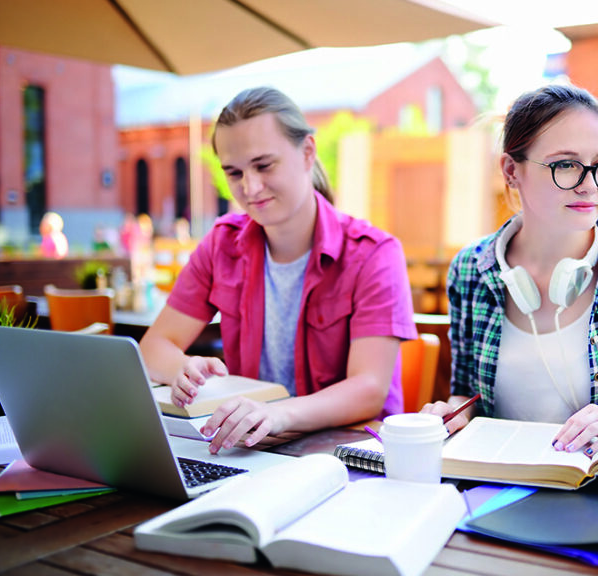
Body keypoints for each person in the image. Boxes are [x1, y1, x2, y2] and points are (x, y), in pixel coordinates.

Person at [421, 84, 598, 455]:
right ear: (511, 170)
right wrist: (452, 413)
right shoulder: (470, 270)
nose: (589, 185)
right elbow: (466, 396)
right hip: (495, 487)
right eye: (566, 165)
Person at [139, 86, 417, 453]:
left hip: (347, 455)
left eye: (264, 165)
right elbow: (154, 347)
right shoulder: (221, 243)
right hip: (251, 449)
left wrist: (279, 414)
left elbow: (368, 389)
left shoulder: (374, 254)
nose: (250, 188)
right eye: (234, 173)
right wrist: (183, 370)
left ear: (307, 153)